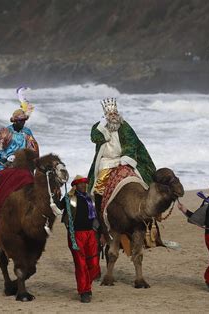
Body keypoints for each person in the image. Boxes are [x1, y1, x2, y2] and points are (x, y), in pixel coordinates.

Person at [87, 98, 156, 243]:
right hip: (105, 163)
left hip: (122, 160)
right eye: (110, 113)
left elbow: (131, 143)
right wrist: (103, 125)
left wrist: (126, 160)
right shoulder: (99, 127)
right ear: (105, 115)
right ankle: (100, 221)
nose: (113, 115)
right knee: (98, 188)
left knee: (140, 181)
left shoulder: (125, 126)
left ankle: (147, 219)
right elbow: (95, 137)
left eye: (115, 112)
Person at [59, 175, 101, 303]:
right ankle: (84, 291)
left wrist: (102, 233)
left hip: (91, 234)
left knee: (93, 263)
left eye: (85, 184)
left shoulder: (91, 198)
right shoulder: (69, 198)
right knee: (81, 264)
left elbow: (97, 217)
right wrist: (58, 196)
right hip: (76, 234)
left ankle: (87, 285)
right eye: (81, 184)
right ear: (75, 186)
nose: (83, 186)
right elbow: (57, 207)